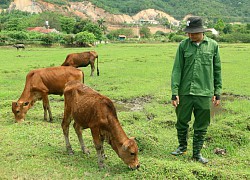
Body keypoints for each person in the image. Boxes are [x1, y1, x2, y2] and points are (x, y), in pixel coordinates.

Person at [170, 16, 222, 164]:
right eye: (189, 33)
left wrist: (217, 92)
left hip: (205, 93)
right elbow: (177, 70)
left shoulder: (213, 46)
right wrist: (175, 92)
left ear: (202, 31)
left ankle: (197, 153)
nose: (191, 35)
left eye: (194, 33)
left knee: (202, 124)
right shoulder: (183, 46)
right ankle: (182, 147)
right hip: (185, 92)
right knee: (181, 121)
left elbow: (217, 70)